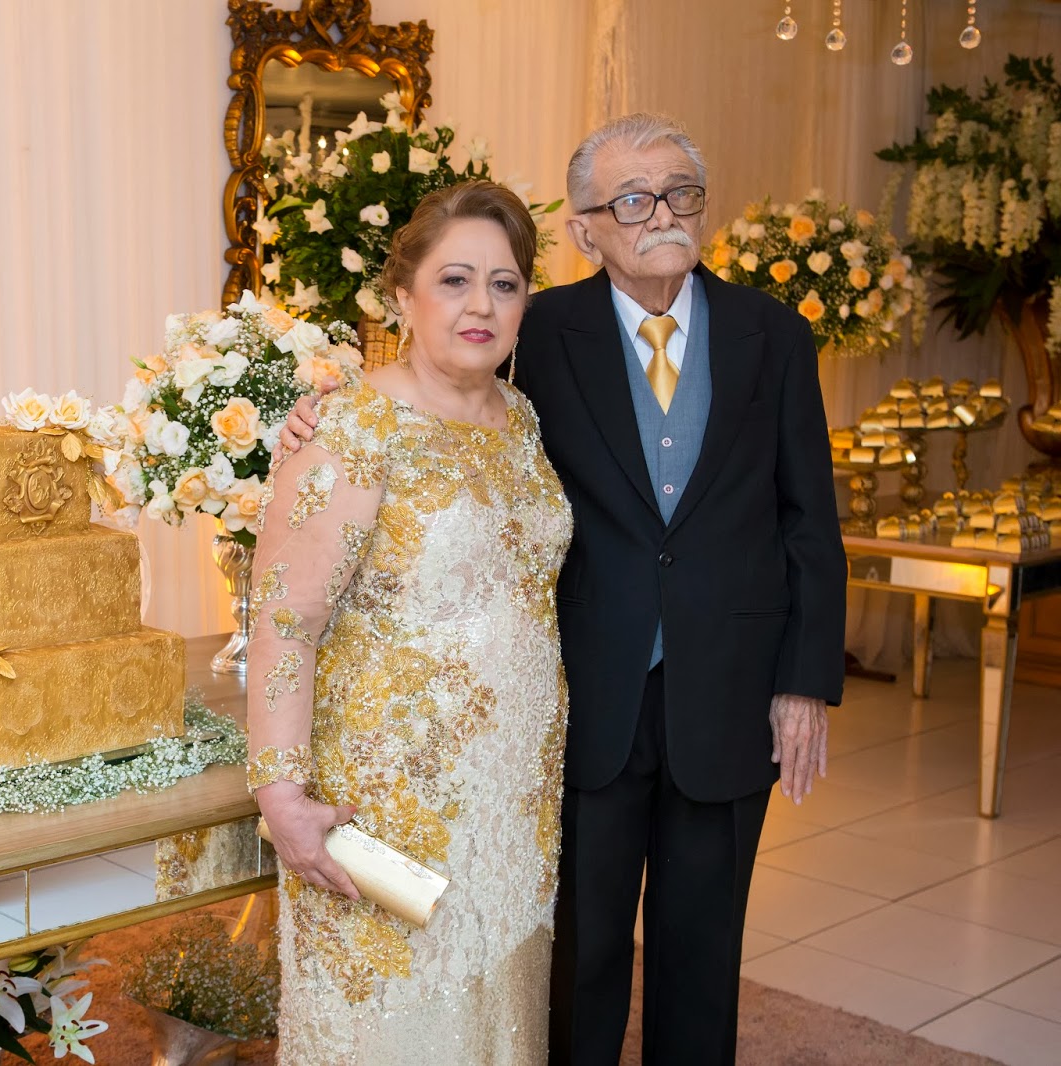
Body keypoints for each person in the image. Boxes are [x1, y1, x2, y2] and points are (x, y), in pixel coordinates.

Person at [279, 114, 846, 1064]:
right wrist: (318, 411)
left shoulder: (774, 335)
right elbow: (432, 389)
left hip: (730, 688)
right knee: (577, 956)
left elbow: (808, 520)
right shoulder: (532, 329)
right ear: (585, 230)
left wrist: (804, 681)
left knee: (705, 952)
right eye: (633, 199)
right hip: (582, 697)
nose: (662, 214)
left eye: (681, 193)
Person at [250, 180, 571, 1064]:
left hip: (513, 802)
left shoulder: (522, 420)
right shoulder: (352, 425)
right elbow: (286, 621)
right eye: (454, 280)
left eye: (504, 285)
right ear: (402, 296)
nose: (481, 306)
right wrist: (281, 795)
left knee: (499, 1025)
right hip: (390, 798)